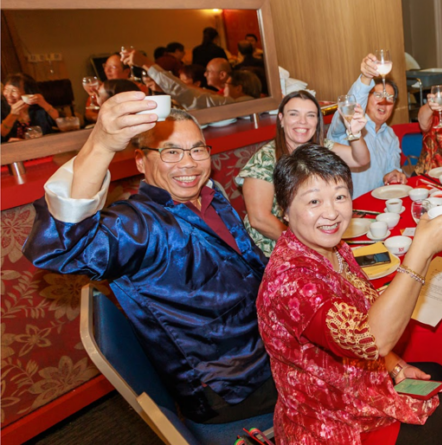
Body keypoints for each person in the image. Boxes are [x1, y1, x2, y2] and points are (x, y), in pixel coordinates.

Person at [23, 92, 276, 424]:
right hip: (230, 385)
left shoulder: (211, 197)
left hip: (269, 348)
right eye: (171, 152)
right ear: (141, 161)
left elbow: (253, 270)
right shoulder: (139, 226)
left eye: (197, 149)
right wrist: (100, 145)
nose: (188, 163)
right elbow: (60, 247)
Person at [257, 145, 442, 444]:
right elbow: (372, 340)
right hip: (332, 423)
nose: (332, 212)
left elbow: (359, 319)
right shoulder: (291, 281)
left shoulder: (333, 249)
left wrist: (396, 366)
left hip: (356, 384)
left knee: (437, 374)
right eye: (314, 201)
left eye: (340, 196)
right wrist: (420, 251)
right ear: (284, 209)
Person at [237, 90, 369, 257]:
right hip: (274, 249)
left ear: (317, 122)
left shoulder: (320, 149)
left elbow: (360, 160)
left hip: (314, 236)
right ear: (281, 119)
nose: (303, 122)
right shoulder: (264, 160)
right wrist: (307, 245)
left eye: (311, 115)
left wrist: (355, 133)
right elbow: (259, 220)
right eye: (294, 114)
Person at [327, 53, 406, 198]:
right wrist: (366, 77)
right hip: (348, 210)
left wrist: (395, 174)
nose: (384, 101)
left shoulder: (391, 136)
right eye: (378, 95)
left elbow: (392, 170)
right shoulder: (346, 125)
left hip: (378, 208)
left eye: (389, 98)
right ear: (366, 99)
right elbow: (351, 104)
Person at [124, 48, 259, 109]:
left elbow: (186, 93)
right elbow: (204, 94)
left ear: (238, 88)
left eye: (227, 85)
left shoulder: (232, 105)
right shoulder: (249, 102)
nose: (224, 89)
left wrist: (146, 64)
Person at [85, 54, 144, 124]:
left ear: (126, 71)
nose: (107, 70)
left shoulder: (138, 89)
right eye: (105, 66)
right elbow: (89, 114)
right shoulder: (101, 90)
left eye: (113, 67)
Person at [1, 73, 59, 142]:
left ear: (28, 92)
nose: (8, 95)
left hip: (43, 148)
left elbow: (59, 122)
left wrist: (44, 104)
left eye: (14, 90)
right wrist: (12, 115)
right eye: (6, 89)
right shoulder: (1, 108)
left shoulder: (38, 107)